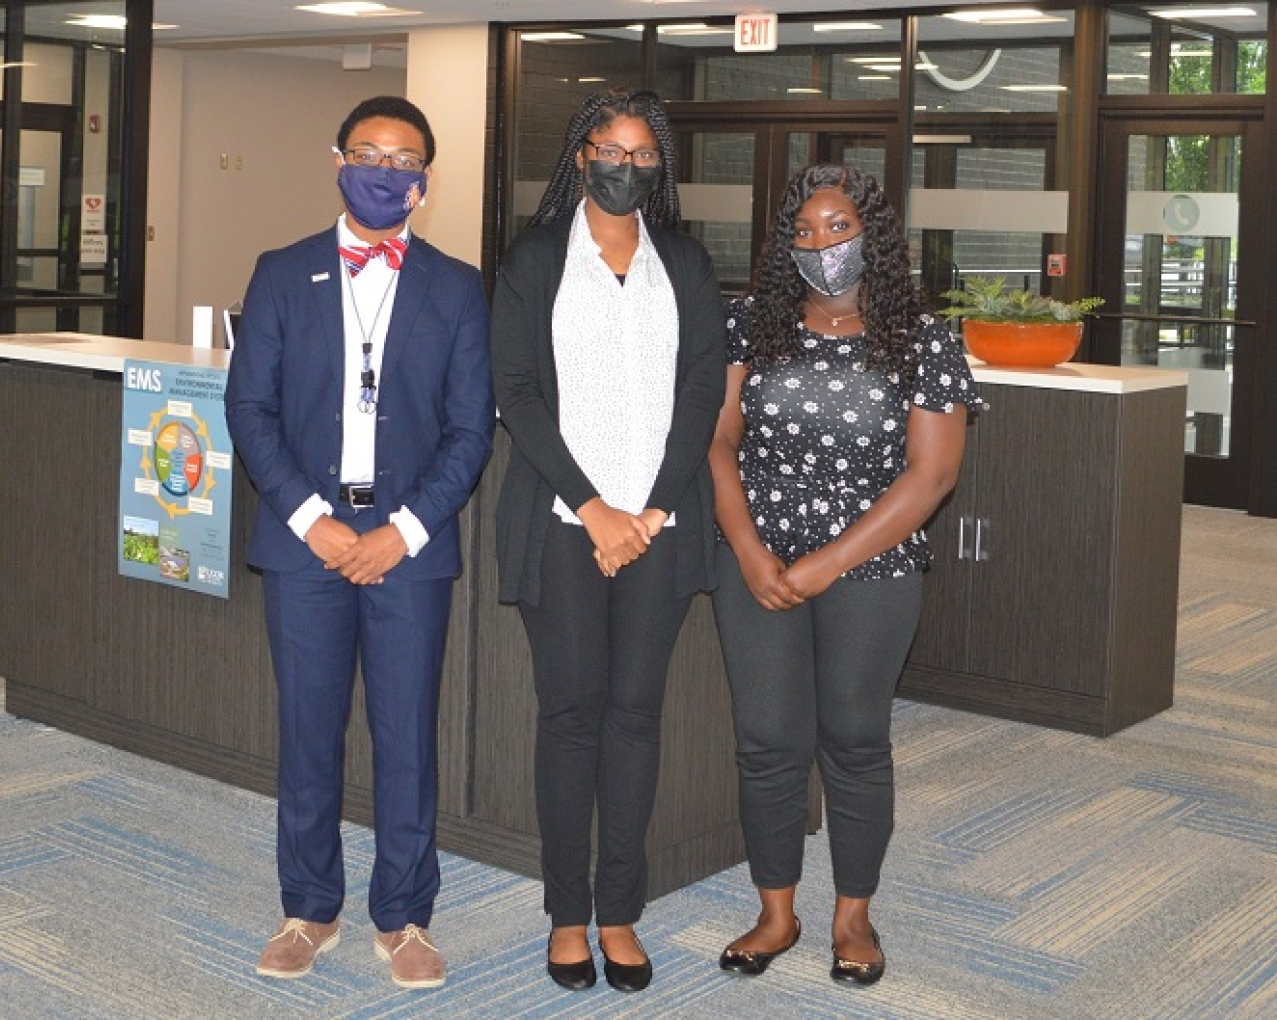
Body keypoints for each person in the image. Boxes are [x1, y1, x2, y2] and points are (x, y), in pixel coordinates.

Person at [225, 96, 495, 990]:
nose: (386, 170)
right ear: (336, 160)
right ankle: (308, 909)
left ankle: (405, 915)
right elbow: (249, 411)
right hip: (307, 537)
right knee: (308, 732)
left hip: (409, 543)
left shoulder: (457, 287)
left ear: (425, 178)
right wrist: (318, 520)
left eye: (404, 158)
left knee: (405, 734)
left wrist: (403, 531)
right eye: (368, 153)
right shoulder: (281, 271)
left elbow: (470, 430)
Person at [708, 164, 975, 986]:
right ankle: (776, 911)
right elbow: (716, 443)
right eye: (802, 233)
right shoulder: (751, 323)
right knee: (767, 743)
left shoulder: (924, 338)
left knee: (855, 742)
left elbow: (929, 478)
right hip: (755, 561)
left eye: (836, 228)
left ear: (874, 238)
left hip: (871, 566)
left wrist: (828, 561)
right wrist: (752, 549)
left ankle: (853, 915)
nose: (820, 246)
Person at [490, 89, 724, 993]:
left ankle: (619, 914)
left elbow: (701, 392)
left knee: (635, 718)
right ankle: (564, 917)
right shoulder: (537, 258)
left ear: (659, 167)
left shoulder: (687, 266)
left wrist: (653, 510)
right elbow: (517, 392)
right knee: (571, 716)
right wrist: (594, 508)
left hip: (659, 532)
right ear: (580, 155)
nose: (626, 166)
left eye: (643, 154)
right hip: (564, 528)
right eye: (610, 149)